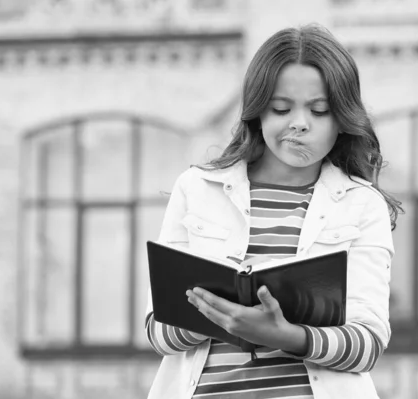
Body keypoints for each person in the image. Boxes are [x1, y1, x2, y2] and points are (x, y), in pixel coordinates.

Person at [144, 24, 403, 399]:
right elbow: (158, 332)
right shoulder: (196, 189)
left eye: (319, 110)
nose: (299, 122)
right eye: (281, 108)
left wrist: (287, 336)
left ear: (342, 118)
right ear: (258, 111)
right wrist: (220, 315)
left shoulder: (361, 203)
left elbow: (368, 342)